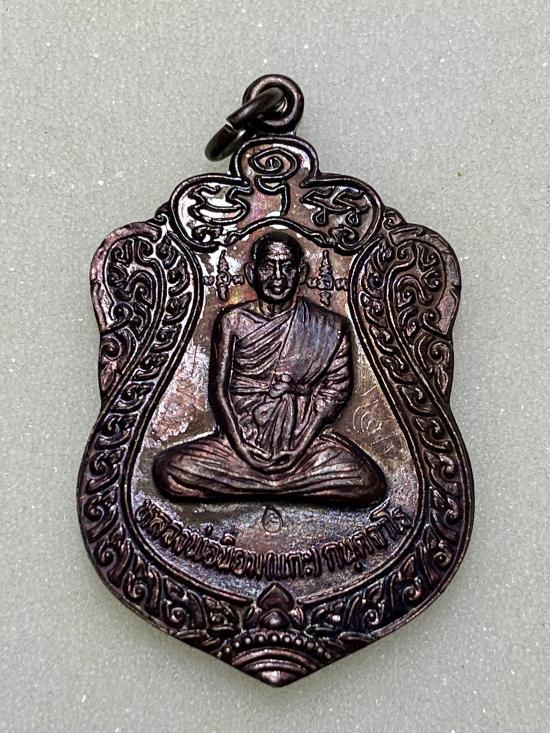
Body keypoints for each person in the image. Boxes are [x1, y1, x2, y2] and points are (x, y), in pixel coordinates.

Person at [152, 232, 386, 506]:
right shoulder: (233, 321)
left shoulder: (330, 327)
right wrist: (242, 447)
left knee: (368, 482)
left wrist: (299, 447)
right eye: (268, 267)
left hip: (302, 442)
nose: (277, 277)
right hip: (239, 440)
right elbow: (219, 392)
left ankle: (258, 485)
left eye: (287, 268)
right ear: (252, 272)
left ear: (301, 273)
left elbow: (335, 393)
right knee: (169, 470)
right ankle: (279, 485)